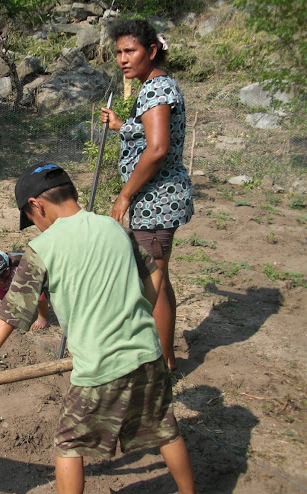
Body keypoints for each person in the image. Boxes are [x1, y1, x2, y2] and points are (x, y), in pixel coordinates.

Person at [0, 164, 205, 494]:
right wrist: (137, 314)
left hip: (99, 367)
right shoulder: (114, 228)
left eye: (31, 217)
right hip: (147, 354)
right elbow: (154, 275)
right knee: (164, 427)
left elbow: (11, 312)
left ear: (36, 205)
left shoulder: (42, 248)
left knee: (69, 444)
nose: (36, 225)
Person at [100, 19, 194, 371]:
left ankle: (160, 363)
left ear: (151, 51)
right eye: (119, 53)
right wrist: (120, 126)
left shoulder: (157, 89)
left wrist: (124, 196)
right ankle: (165, 359)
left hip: (156, 202)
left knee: (152, 281)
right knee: (158, 278)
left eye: (130, 51)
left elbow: (156, 149)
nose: (123, 59)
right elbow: (149, 133)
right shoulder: (154, 87)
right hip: (156, 200)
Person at [0, 248, 50, 341]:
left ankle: (43, 317)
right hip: (10, 291)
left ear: (7, 272)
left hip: (30, 287)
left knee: (40, 297)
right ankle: (14, 315)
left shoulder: (20, 273)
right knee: (6, 298)